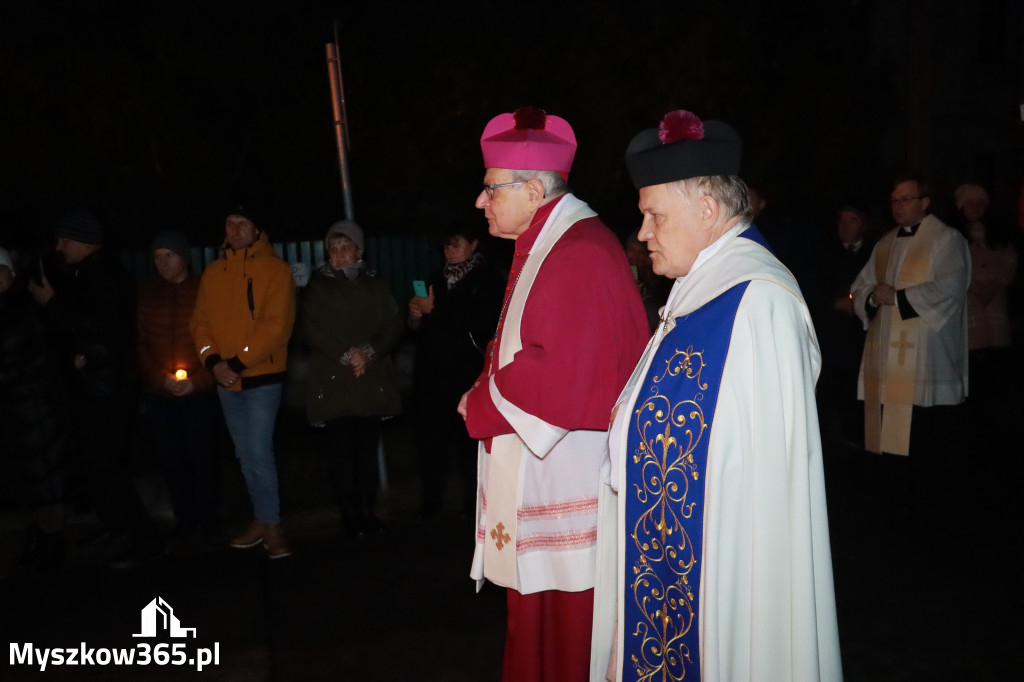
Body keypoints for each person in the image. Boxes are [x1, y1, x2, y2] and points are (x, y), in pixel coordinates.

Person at [594, 110, 842, 681]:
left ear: (707, 210)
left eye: (654, 216)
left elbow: (763, 491)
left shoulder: (759, 301)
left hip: (724, 575)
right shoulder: (699, 289)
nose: (642, 234)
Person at [456, 107, 649, 681]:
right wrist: (484, 383)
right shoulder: (547, 241)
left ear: (534, 189)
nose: (479, 202)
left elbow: (564, 370)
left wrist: (482, 404)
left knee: (564, 630)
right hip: (549, 464)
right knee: (537, 623)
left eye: (491, 189)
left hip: (567, 471)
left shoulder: (579, 250)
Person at [26, 210, 162, 569]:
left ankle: (144, 539)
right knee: (94, 466)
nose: (59, 247)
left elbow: (103, 334)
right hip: (96, 386)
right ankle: (117, 527)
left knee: (107, 468)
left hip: (107, 389)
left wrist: (51, 304)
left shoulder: (104, 278)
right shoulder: (86, 273)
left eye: (63, 240)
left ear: (82, 241)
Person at [850, 175, 969, 507]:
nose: (897, 206)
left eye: (905, 199)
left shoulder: (946, 239)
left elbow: (950, 288)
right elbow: (860, 286)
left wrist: (899, 298)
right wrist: (871, 298)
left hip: (926, 359)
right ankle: (889, 496)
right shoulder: (885, 243)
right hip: (886, 356)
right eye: (894, 201)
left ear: (925, 202)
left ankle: (928, 503)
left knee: (925, 436)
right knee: (887, 431)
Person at [191, 206, 296, 558]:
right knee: (244, 453)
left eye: (242, 223)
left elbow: (276, 326)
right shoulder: (213, 273)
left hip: (261, 378)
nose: (234, 229)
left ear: (256, 230)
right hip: (225, 379)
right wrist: (212, 361)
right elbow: (200, 323)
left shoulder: (276, 271)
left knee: (258, 451)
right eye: (230, 223)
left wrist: (236, 361)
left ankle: (272, 525)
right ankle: (261, 518)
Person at [302, 220, 403, 536]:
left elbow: (393, 324)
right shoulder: (318, 286)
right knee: (340, 455)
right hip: (333, 382)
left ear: (359, 251)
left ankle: (367, 512)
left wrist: (368, 353)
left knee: (366, 454)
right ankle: (349, 516)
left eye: (345, 247)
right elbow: (310, 328)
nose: (338, 254)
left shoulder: (377, 285)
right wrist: (346, 354)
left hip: (369, 381)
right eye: (333, 248)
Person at [408, 227, 503, 519]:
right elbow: (417, 329)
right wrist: (415, 315)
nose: (450, 251)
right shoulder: (435, 278)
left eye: (457, 244)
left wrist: (434, 310)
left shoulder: (488, 279)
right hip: (433, 375)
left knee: (468, 445)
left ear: (474, 244)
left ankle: (473, 508)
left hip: (467, 374)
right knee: (431, 443)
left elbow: (479, 321)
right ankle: (430, 503)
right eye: (446, 245)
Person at [137, 230, 220, 550]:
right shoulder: (146, 294)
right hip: (160, 396)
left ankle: (209, 520)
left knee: (202, 457)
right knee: (172, 459)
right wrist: (161, 380)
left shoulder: (204, 290)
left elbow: (217, 340)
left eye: (168, 255)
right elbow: (141, 344)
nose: (161, 262)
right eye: (156, 257)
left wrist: (197, 381)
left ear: (183, 257)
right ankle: (185, 521)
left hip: (198, 394)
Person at [0, 246, 68, 571]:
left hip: (33, 407)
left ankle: (53, 541)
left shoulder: (27, 306)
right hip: (9, 412)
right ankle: (34, 537)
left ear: (10, 273)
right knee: (20, 480)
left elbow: (45, 354)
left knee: (45, 478)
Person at [810, 206, 874, 448]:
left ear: (863, 225)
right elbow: (812, 290)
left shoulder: (873, 254)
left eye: (852, 220)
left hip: (861, 340)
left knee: (855, 401)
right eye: (842, 221)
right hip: (831, 340)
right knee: (826, 399)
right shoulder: (823, 254)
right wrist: (832, 302)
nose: (845, 226)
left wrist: (862, 303)